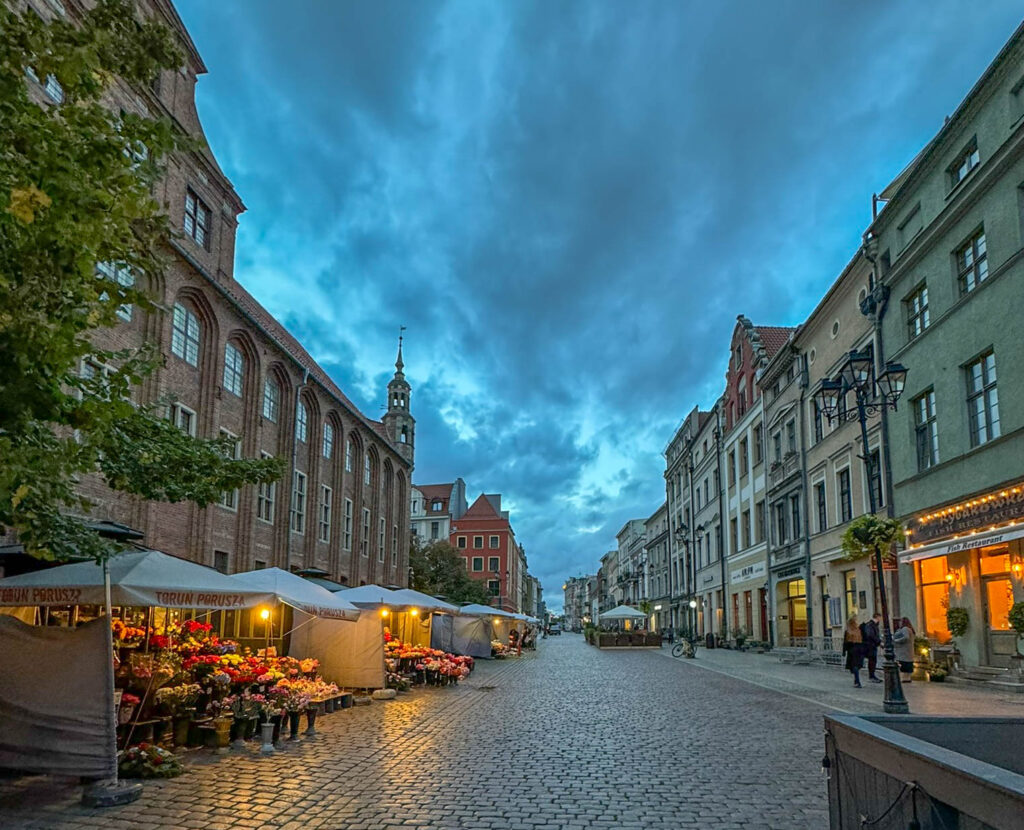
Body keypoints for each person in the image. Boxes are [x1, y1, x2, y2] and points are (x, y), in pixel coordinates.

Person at [859, 613, 883, 683]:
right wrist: (879, 642)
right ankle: (871, 676)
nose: (880, 619)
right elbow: (870, 635)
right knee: (872, 661)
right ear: (877, 617)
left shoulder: (872, 625)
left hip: (871, 645)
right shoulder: (870, 625)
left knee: (872, 660)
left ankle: (872, 675)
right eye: (880, 617)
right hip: (869, 646)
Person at [842, 615, 865, 688]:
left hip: (852, 649)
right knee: (857, 665)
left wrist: (844, 651)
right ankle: (856, 680)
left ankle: (857, 681)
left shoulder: (848, 631)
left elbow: (845, 642)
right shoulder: (859, 630)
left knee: (854, 666)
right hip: (859, 649)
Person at [892, 617, 916, 683]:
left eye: (900, 621)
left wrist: (896, 641)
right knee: (908, 664)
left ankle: (904, 678)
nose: (899, 623)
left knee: (903, 664)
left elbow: (906, 637)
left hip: (904, 651)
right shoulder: (909, 629)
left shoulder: (905, 629)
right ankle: (907, 678)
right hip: (908, 651)